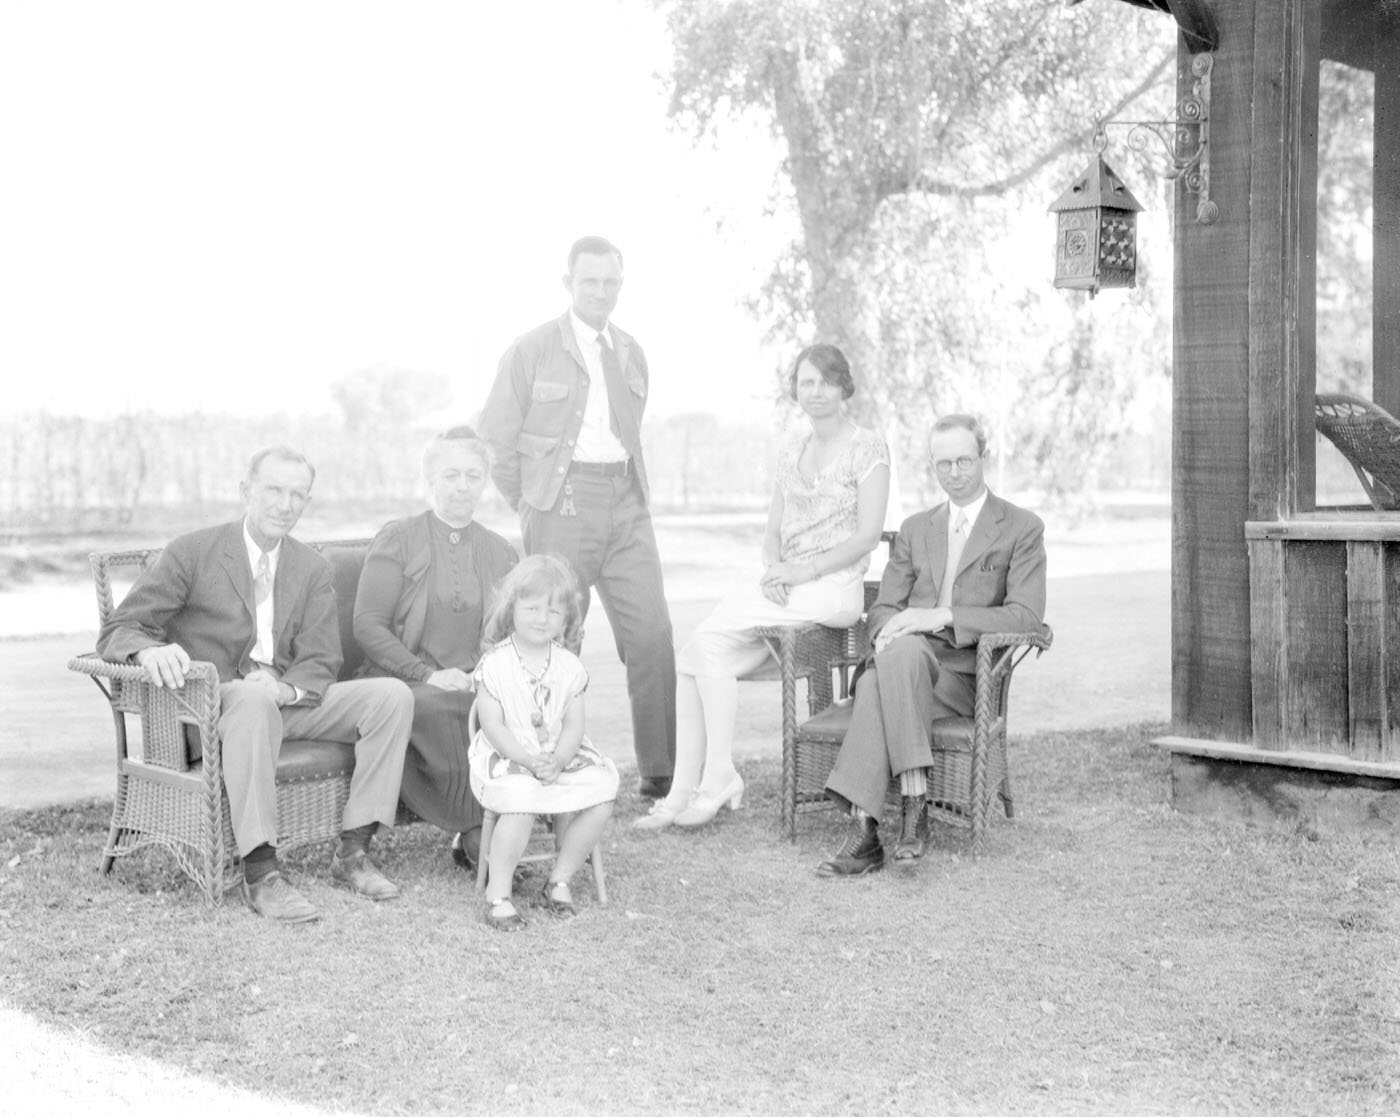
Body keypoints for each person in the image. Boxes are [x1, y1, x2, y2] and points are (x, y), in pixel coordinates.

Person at [96, 446, 414, 922]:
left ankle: (354, 852)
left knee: (391, 696)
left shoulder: (311, 567)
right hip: (211, 706)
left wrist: (285, 690)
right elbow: (119, 629)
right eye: (274, 490)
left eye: (298, 496)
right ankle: (261, 872)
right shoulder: (192, 552)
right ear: (246, 490)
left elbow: (323, 657)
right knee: (248, 697)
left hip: (284, 700)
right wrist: (148, 649)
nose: (285, 505)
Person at [635, 344, 890, 831]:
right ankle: (688, 789)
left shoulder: (868, 447)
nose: (814, 392)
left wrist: (801, 571)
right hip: (786, 586)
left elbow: (867, 536)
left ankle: (716, 782)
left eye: (825, 382)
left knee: (699, 647)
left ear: (843, 388)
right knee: (696, 656)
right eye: (806, 382)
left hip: (832, 587)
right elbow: (772, 532)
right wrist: (775, 568)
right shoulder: (792, 447)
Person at [479, 235, 676, 800]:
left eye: (611, 282)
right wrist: (532, 501)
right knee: (553, 633)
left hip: (626, 499)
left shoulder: (631, 350)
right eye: (590, 281)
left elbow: (629, 428)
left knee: (653, 631)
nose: (601, 292)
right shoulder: (533, 348)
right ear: (569, 284)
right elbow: (496, 437)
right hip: (563, 502)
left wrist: (628, 496)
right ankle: (541, 766)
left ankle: (661, 774)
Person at [817, 414, 1047, 876]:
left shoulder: (1021, 527)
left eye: (964, 460)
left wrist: (941, 615)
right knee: (898, 655)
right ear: (932, 466)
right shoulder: (915, 529)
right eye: (943, 463)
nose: (955, 472)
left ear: (983, 457)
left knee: (874, 686)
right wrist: (890, 629)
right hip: (908, 661)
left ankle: (866, 834)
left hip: (963, 677)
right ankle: (913, 803)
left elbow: (1025, 616)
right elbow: (882, 609)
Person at [352, 426, 518, 871]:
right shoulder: (399, 538)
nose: (462, 486)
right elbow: (368, 625)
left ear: (484, 481)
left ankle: (500, 824)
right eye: (450, 475)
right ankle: (476, 831)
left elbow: (509, 633)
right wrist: (426, 674)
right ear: (430, 479)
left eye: (473, 475)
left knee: (497, 702)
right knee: (447, 706)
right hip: (401, 676)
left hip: (471, 678)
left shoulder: (501, 551)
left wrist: (488, 676)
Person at [469, 554, 618, 931]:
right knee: (521, 798)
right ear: (512, 608)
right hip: (507, 755)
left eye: (553, 612)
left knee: (602, 790)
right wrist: (528, 759)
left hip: (557, 755)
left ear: (566, 619)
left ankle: (559, 880)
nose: (541, 618)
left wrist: (559, 757)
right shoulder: (496, 664)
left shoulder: (568, 666)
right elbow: (491, 726)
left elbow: (573, 724)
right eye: (531, 607)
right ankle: (498, 893)